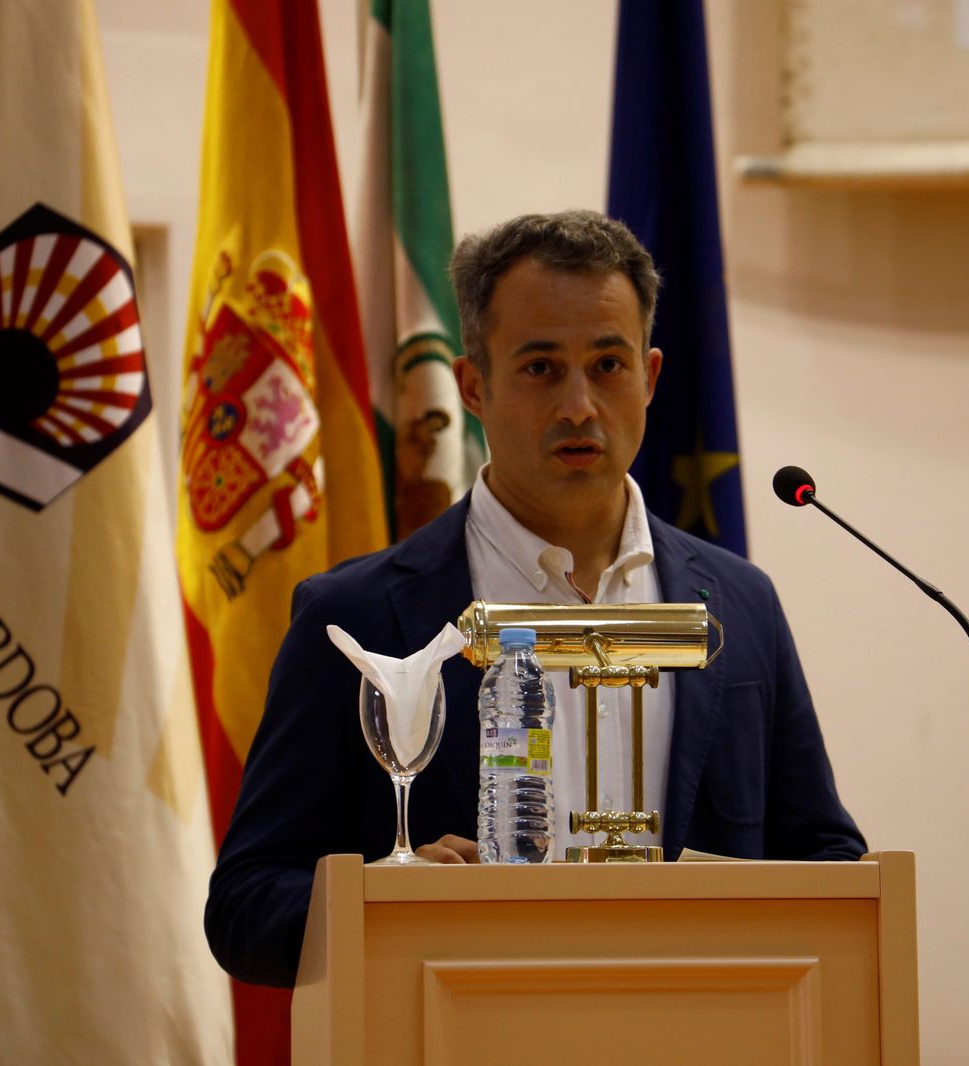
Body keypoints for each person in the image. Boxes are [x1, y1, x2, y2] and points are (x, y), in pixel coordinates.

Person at [205, 210, 865, 988]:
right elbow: (246, 907)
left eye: (608, 365)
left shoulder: (741, 605)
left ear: (650, 378)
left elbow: (826, 859)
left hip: (699, 1025)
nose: (579, 405)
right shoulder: (355, 616)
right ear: (474, 386)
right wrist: (382, 901)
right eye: (542, 368)